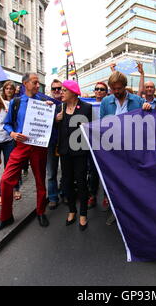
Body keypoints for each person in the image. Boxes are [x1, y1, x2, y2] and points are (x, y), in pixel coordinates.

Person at [0, 73, 54, 232]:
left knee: (40, 180)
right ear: (25, 83)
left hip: (39, 148)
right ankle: (6, 216)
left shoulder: (43, 103)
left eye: (38, 83)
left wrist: (50, 110)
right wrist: (12, 134)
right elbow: (7, 124)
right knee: (5, 180)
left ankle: (40, 212)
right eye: (35, 82)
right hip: (21, 146)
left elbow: (51, 122)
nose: (38, 85)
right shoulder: (16, 102)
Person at [100, 71, 147, 224]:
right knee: (115, 181)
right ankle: (116, 211)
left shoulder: (138, 101)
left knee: (131, 181)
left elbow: (145, 124)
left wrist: (147, 109)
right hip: (114, 150)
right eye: (113, 89)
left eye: (119, 88)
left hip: (133, 149)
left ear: (125, 87)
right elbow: (101, 125)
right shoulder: (106, 102)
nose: (116, 92)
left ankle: (132, 211)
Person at [55, 80, 92, 231]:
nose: (61, 92)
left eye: (64, 90)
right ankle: (72, 210)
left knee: (81, 182)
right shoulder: (60, 107)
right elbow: (56, 128)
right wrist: (56, 120)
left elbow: (90, 130)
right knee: (66, 182)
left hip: (80, 152)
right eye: (61, 90)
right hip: (64, 152)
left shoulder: (86, 107)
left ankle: (83, 213)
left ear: (73, 92)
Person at [87, 82, 109, 209]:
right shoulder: (87, 104)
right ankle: (92, 195)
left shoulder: (110, 105)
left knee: (107, 171)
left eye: (102, 89)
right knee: (93, 172)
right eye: (97, 89)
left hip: (107, 143)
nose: (99, 91)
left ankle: (107, 197)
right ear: (94, 91)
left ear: (106, 92)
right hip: (92, 142)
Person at [46, 79, 63, 210]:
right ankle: (52, 197)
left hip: (65, 142)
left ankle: (64, 193)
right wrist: (54, 118)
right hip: (51, 143)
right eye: (54, 89)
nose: (57, 91)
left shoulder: (68, 103)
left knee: (66, 171)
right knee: (51, 173)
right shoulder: (46, 104)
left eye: (59, 88)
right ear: (51, 91)